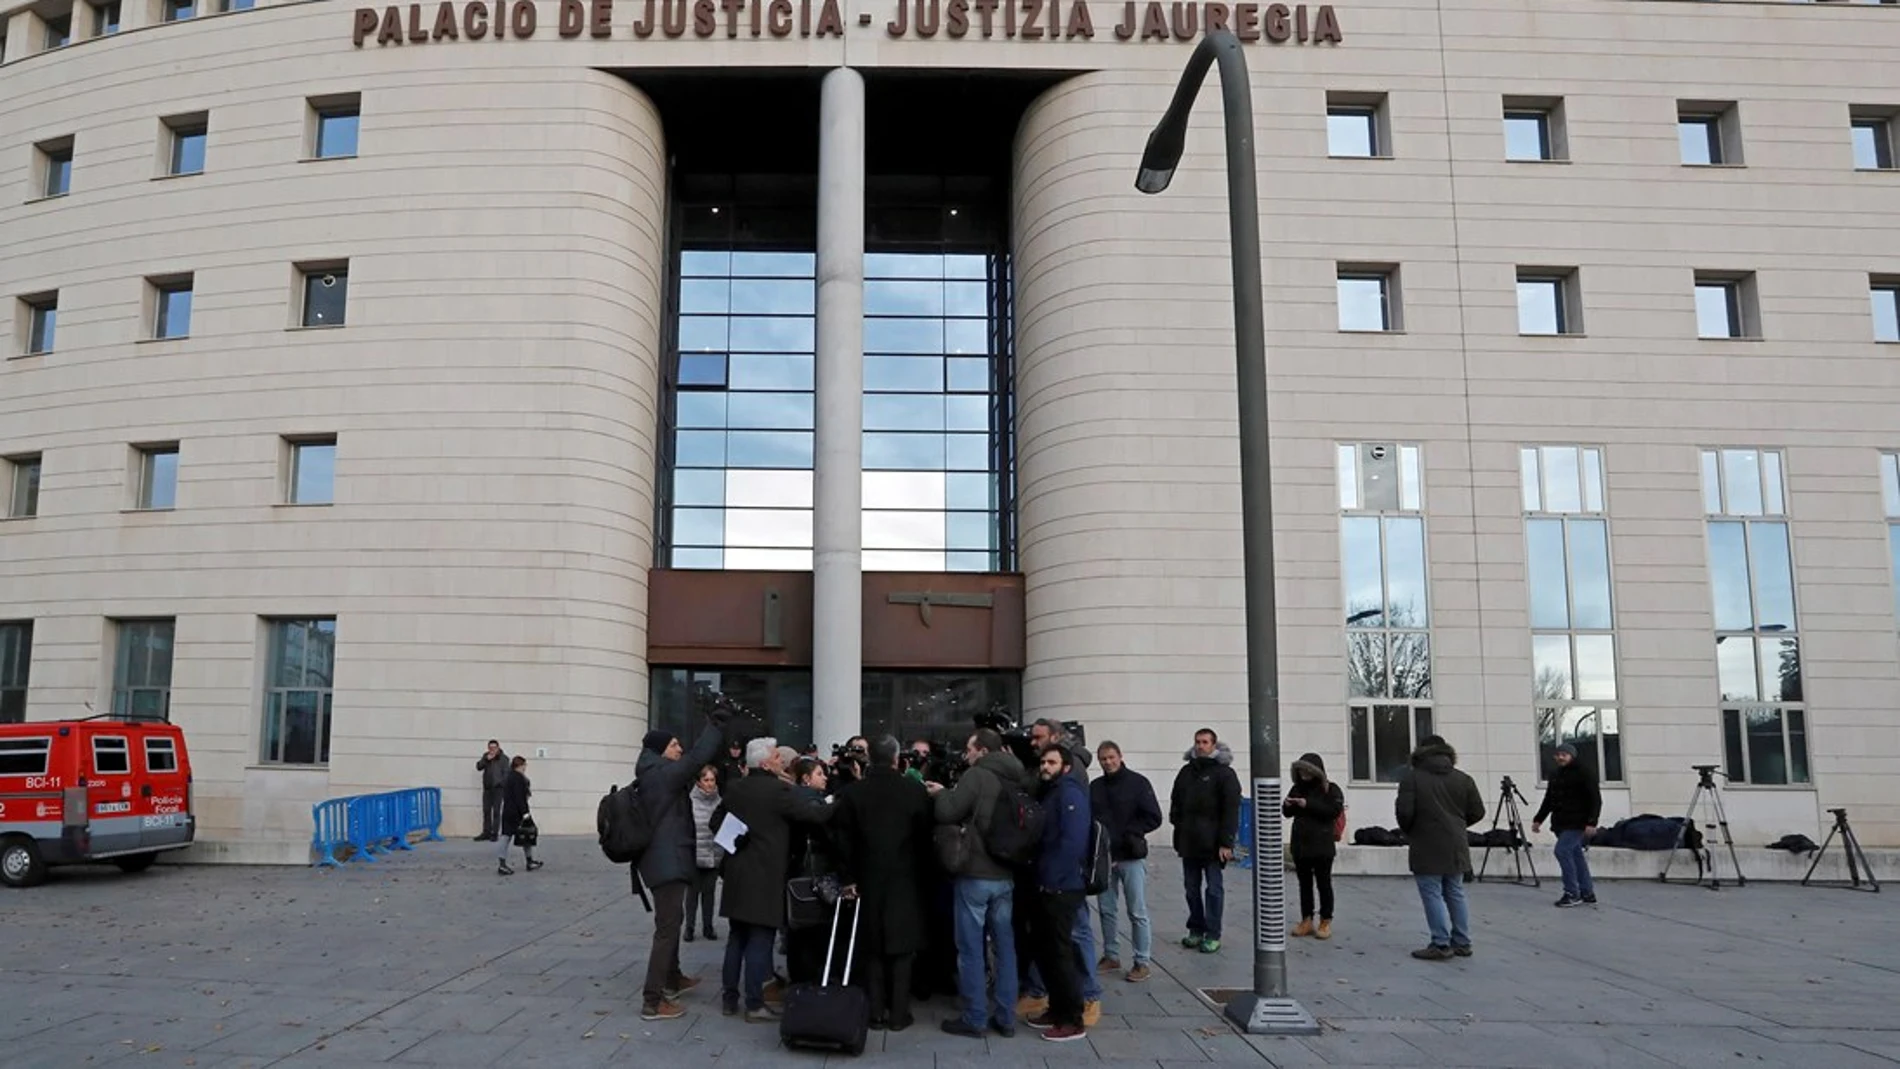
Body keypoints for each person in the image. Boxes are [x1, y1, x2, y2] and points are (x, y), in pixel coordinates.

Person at [718, 738, 836, 1023]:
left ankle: (729, 998)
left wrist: (738, 839)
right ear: (765, 762)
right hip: (766, 875)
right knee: (761, 939)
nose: (779, 759)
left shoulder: (735, 787)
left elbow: (716, 822)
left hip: (736, 871)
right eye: (774, 755)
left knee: (737, 937)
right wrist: (839, 803)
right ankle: (755, 1004)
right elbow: (813, 814)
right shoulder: (779, 790)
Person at [927, 728, 1025, 1040]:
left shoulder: (977, 775)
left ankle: (975, 1017)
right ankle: (1007, 1017)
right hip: (1006, 873)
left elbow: (948, 812)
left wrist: (941, 792)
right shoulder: (1018, 775)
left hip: (977, 873)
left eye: (969, 749)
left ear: (982, 750)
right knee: (1005, 947)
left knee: (970, 949)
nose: (966, 755)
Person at [833, 735, 933, 1031]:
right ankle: (899, 1012)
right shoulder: (914, 791)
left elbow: (843, 840)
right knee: (902, 947)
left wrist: (848, 877)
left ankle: (875, 1011)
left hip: (867, 877)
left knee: (872, 945)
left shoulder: (853, 794)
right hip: (905, 877)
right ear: (896, 759)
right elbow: (924, 840)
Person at [635, 716, 729, 1021]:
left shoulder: (654, 771)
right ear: (662, 750)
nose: (680, 748)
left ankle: (672, 979)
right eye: (674, 745)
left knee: (673, 921)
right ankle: (653, 1000)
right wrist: (715, 724)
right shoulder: (660, 774)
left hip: (667, 858)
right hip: (666, 862)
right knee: (667, 928)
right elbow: (697, 759)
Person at [1018, 719, 1102, 1025]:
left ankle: (1078, 1009)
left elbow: (1071, 842)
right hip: (1051, 883)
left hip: (1063, 885)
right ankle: (1057, 1006)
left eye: (1051, 760)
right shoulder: (1052, 788)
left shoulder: (1069, 791)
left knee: (1067, 946)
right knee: (1053, 949)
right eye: (1043, 761)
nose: (1045, 764)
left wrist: (1053, 880)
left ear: (1064, 764)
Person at [1395, 735, 1486, 962]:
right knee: (1455, 891)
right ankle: (1462, 942)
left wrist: (1411, 830)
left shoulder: (1412, 779)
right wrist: (1457, 824)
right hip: (1456, 844)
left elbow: (1404, 813)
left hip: (1426, 843)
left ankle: (1440, 943)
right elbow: (1478, 812)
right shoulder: (1464, 779)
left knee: (1432, 893)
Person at [1089, 741, 1162, 982]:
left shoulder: (1138, 783)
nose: (1108, 762)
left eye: (1111, 757)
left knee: (1137, 910)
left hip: (1130, 856)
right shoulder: (1096, 787)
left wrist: (1131, 833)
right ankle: (1111, 955)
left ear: (1120, 756)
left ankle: (1142, 961)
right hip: (1105, 858)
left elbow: (1154, 816)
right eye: (1103, 759)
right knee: (1106, 909)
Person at [1169, 728, 1241, 954]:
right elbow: (1176, 802)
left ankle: (1213, 933)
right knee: (1191, 889)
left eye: (1205, 742)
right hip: (1189, 841)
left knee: (1213, 889)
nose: (1200, 746)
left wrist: (1226, 842)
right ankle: (1196, 929)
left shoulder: (1224, 774)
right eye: (1197, 742)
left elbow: (1231, 810)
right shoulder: (1185, 772)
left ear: (1214, 745)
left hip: (1213, 844)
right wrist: (1178, 827)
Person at [784, 756, 840, 986]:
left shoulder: (791, 797)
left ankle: (798, 978)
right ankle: (813, 978)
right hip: (812, 871)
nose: (825, 777)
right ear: (806, 779)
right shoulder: (812, 801)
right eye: (819, 774)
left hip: (795, 870)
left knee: (797, 930)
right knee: (815, 930)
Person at [1282, 752, 1345, 940]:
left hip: (1322, 845)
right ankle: (1306, 919)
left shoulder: (1330, 789)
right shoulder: (1297, 788)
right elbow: (1287, 813)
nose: (1304, 775)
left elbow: (1333, 811)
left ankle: (1325, 919)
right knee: (1304, 884)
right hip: (1301, 844)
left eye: (1307, 771)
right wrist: (1288, 805)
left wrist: (1307, 804)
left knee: (1324, 883)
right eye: (1301, 771)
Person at [1533, 742, 1602, 908]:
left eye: (1564, 754)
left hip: (1578, 822)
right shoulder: (1556, 774)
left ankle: (1572, 892)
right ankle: (1587, 891)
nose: (1560, 757)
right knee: (1576, 855)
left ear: (1572, 755)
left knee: (1562, 851)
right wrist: (1539, 819)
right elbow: (1549, 799)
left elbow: (1595, 799)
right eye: (1558, 754)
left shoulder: (1584, 773)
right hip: (1561, 822)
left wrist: (1592, 822)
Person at [685, 764, 722, 943]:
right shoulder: (690, 802)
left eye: (712, 780)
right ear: (699, 782)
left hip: (713, 854)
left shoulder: (720, 801)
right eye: (706, 780)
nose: (709, 783)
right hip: (694, 855)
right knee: (692, 894)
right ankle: (689, 928)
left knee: (709, 893)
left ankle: (708, 926)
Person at [495, 755, 542, 875]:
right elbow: (520, 798)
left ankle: (503, 863)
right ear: (520, 765)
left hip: (507, 810)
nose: (525, 767)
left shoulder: (509, 777)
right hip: (516, 812)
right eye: (524, 765)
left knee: (508, 836)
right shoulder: (518, 778)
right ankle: (528, 861)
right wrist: (525, 813)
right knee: (526, 835)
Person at [475, 740, 508, 841]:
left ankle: (494, 833)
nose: (492, 750)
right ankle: (486, 832)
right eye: (490, 748)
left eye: (494, 748)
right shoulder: (486, 756)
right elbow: (479, 767)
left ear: (498, 748)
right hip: (488, 788)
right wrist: (486, 760)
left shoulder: (504, 758)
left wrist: (501, 784)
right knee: (486, 811)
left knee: (496, 811)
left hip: (498, 789)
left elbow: (506, 773)